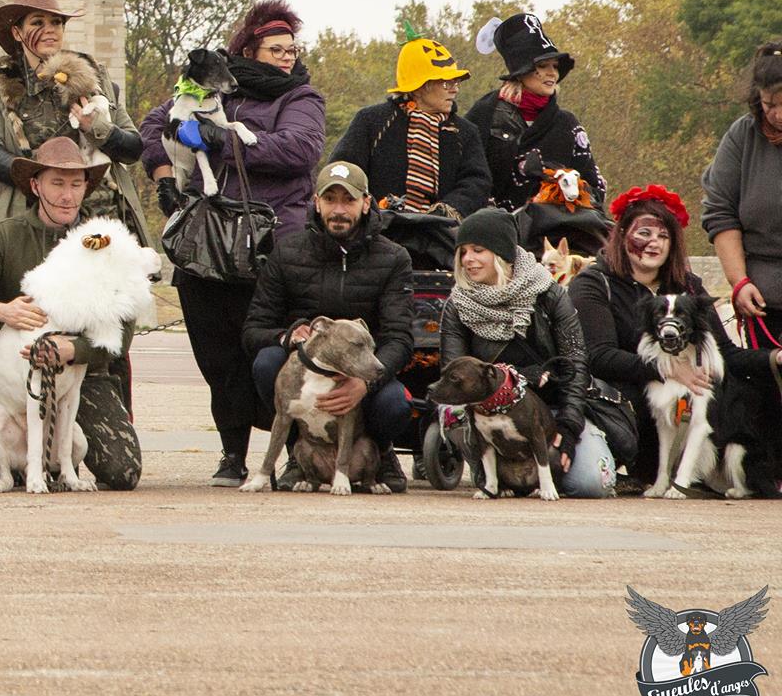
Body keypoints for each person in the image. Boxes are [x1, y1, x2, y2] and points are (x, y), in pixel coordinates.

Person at [138, 0, 325, 487]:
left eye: (292, 48)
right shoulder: (216, 87)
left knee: (276, 351)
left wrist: (225, 141)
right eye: (276, 49)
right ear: (250, 48)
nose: (288, 57)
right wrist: (163, 173)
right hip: (207, 241)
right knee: (217, 353)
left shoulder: (301, 97)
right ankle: (231, 452)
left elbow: (300, 149)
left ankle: (293, 452)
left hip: (274, 242)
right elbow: (155, 124)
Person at [0, 138, 143, 493]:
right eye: (57, 183)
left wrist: (73, 350)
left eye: (76, 184)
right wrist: (1, 310)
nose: (68, 195)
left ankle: (58, 459)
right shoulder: (5, 236)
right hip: (18, 367)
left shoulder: (105, 242)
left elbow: (122, 334)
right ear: (35, 185)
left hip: (83, 374)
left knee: (122, 473)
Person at [572, 184, 782, 487]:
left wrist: (774, 357)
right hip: (631, 408)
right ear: (622, 235)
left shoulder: (688, 287)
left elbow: (726, 355)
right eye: (644, 233)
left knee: (757, 387)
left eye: (664, 236)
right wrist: (669, 369)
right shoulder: (594, 283)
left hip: (686, 414)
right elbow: (598, 356)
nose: (654, 243)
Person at [241, 161, 414, 492]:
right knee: (265, 363)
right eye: (329, 200)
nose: (338, 210)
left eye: (348, 201)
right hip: (303, 369)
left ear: (366, 203)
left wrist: (365, 385)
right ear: (316, 203)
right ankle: (299, 453)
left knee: (396, 404)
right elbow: (254, 329)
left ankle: (378, 452)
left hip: (362, 369)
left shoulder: (394, 258)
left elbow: (400, 339)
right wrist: (287, 336)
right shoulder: (287, 251)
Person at [440, 207, 611, 498]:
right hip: (485, 414)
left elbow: (575, 363)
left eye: (478, 250)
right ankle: (495, 467)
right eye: (463, 252)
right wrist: (521, 378)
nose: (468, 259)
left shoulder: (549, 294)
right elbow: (454, 377)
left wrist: (569, 427)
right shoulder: (458, 304)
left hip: (551, 409)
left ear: (502, 253)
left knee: (589, 483)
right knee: (511, 482)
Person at [0, 0, 146, 235]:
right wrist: (41, 178)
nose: (49, 30)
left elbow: (133, 148)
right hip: (28, 221)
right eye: (37, 22)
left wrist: (97, 128)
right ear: (17, 32)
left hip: (98, 220)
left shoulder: (93, 77)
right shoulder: (1, 83)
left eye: (56, 22)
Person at [329, 37, 491, 239]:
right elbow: (343, 172)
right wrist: (373, 210)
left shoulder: (465, 132)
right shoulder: (372, 121)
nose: (455, 88)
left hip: (441, 239)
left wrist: (446, 210)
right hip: (376, 238)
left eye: (456, 81)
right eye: (446, 82)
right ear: (419, 86)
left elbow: (477, 182)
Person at [464, 13, 605, 214]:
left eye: (555, 66)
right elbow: (466, 177)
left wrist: (565, 184)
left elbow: (596, 189)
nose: (552, 73)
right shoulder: (486, 113)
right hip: (495, 231)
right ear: (522, 71)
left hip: (555, 234)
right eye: (542, 66)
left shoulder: (567, 124)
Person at [705, 41, 782, 352]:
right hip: (764, 302)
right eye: (768, 105)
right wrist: (739, 283)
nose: (777, 115)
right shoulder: (742, 136)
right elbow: (720, 214)